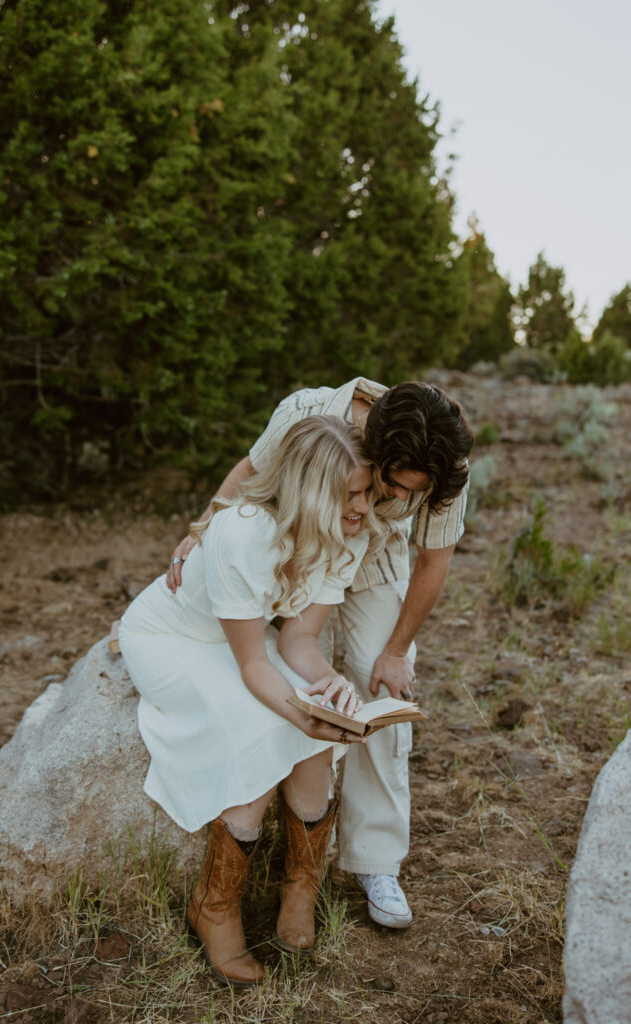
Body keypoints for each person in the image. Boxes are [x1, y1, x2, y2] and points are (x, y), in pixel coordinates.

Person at [167, 379, 474, 929]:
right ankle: (258, 871)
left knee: (378, 690)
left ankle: (374, 862)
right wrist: (205, 527)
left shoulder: (444, 460)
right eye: (397, 485)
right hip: (301, 548)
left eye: (416, 493)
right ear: (374, 451)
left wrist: (397, 651)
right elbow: (251, 470)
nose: (404, 500)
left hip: (374, 561)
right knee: (283, 670)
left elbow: (433, 560)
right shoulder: (309, 411)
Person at [119, 415, 383, 987]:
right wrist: (298, 711)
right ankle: (213, 906)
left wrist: (328, 685)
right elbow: (254, 665)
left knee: (313, 729)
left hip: (246, 640)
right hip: (175, 640)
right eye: (348, 496)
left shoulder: (349, 532)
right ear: (309, 494)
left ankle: (300, 887)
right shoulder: (242, 532)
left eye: (366, 491)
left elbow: (297, 639)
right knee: (269, 729)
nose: (362, 508)